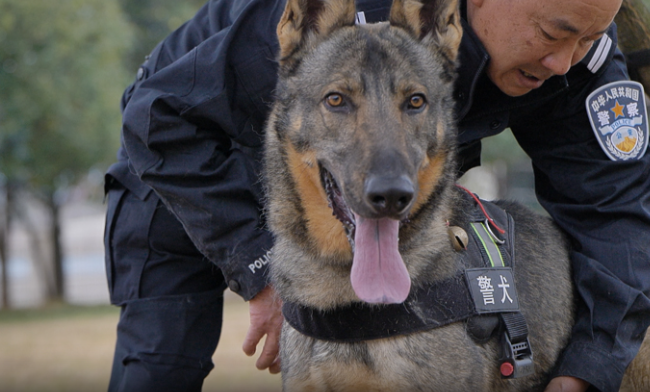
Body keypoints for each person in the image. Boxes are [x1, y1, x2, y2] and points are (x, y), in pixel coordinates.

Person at [103, 0, 650, 391]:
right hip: (187, 152)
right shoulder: (351, 18)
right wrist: (266, 272)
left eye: (587, 39)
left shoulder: (581, 58)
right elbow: (158, 117)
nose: (565, 62)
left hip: (373, 181)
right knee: (159, 367)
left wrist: (587, 374)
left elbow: (617, 218)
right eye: (553, 34)